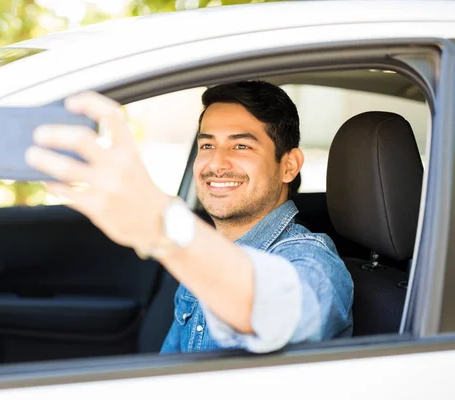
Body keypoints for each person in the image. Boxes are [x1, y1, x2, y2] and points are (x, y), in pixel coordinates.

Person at [25, 80, 354, 354]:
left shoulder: (313, 259)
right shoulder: (208, 253)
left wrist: (163, 224)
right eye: (207, 145)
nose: (216, 163)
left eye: (241, 147)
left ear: (289, 165)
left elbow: (280, 308)